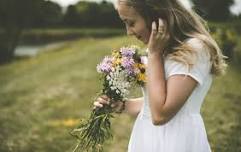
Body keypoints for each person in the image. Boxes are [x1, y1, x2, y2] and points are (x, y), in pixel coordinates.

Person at [93, 0, 227, 151]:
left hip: (177, 140)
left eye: (131, 23)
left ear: (154, 15)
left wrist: (154, 54)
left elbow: (160, 114)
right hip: (147, 137)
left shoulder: (194, 49)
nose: (129, 32)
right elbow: (154, 102)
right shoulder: (162, 48)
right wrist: (122, 105)